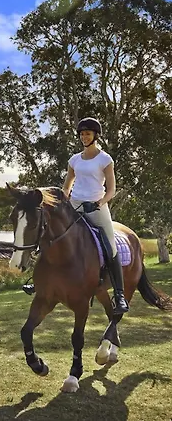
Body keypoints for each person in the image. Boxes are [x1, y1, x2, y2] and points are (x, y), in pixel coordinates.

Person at [62, 117, 129, 315]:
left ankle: (119, 295)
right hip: (75, 205)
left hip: (96, 207)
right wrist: (63, 201)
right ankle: (41, 280)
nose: (84, 137)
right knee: (53, 234)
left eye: (87, 134)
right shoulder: (74, 160)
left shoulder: (105, 159)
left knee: (110, 246)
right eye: (82, 134)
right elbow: (67, 186)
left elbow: (112, 189)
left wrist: (99, 203)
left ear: (95, 136)